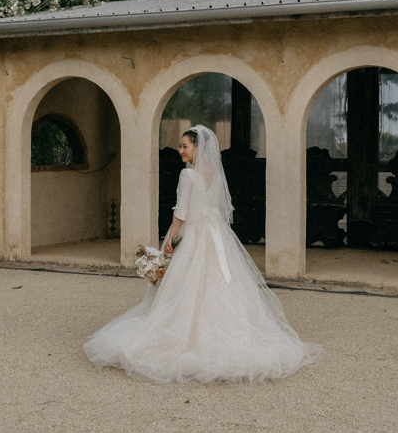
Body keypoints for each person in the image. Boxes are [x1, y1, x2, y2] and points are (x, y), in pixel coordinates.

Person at [84, 125, 323, 383]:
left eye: (185, 146)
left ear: (198, 149)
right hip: (215, 233)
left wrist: (171, 240)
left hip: (194, 232)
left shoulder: (188, 175)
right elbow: (218, 206)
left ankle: (186, 335)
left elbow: (181, 211)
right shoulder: (214, 173)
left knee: (186, 282)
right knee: (219, 282)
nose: (180, 151)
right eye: (181, 146)